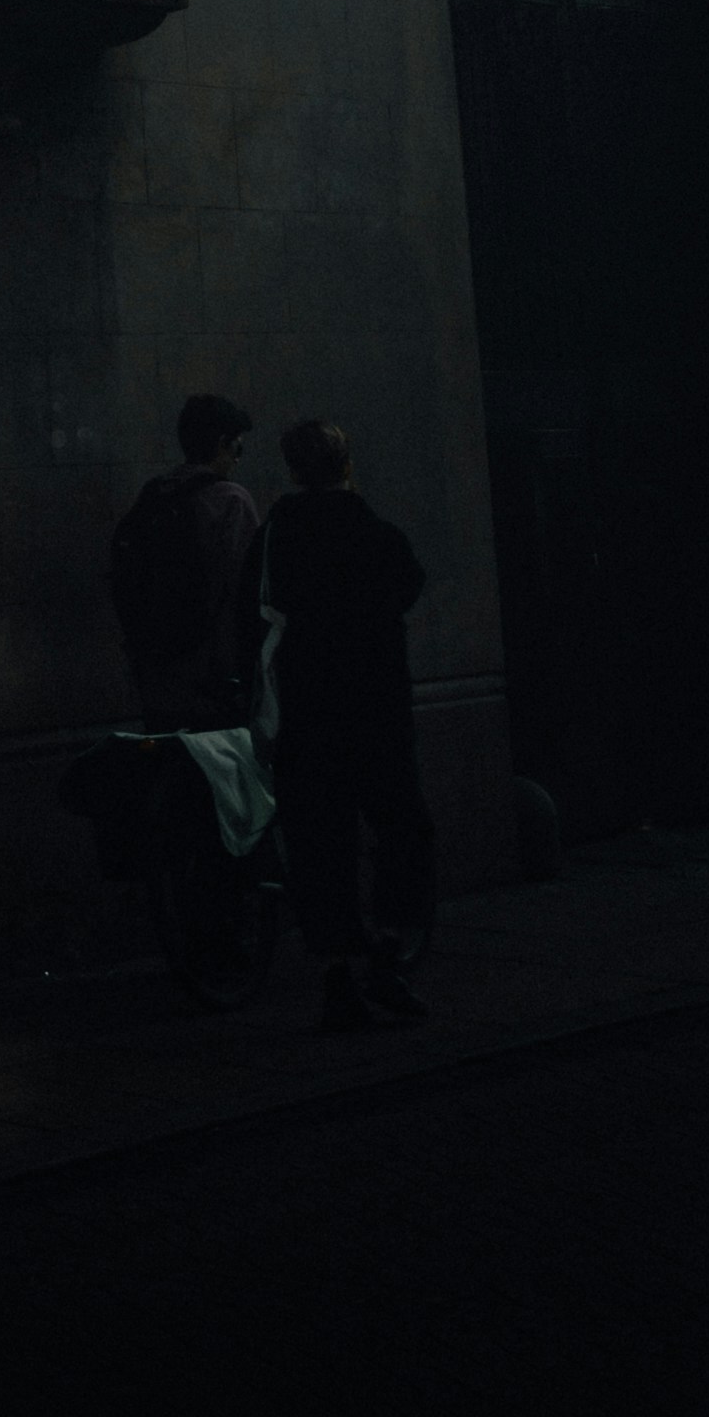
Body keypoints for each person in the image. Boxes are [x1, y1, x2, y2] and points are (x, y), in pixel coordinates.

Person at [265, 418, 434, 1029]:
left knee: (321, 842)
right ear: (346, 466)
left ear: (292, 469)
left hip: (310, 711)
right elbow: (406, 588)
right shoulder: (375, 536)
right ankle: (387, 952)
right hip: (376, 709)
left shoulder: (277, 538)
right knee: (401, 827)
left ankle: (336, 974)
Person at [109, 393, 266, 732]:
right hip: (212, 677)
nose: (238, 458)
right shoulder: (231, 501)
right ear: (223, 444)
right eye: (238, 447)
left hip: (158, 672)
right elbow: (247, 589)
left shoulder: (156, 494)